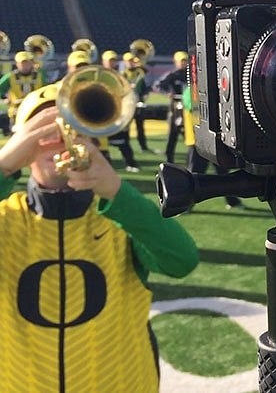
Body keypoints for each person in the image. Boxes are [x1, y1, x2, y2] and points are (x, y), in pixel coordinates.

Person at [0, 87, 199, 392]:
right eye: (42, 131)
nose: (61, 141)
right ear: (22, 145)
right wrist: (4, 165)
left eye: (75, 129)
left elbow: (181, 260)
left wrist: (117, 192)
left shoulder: (121, 214)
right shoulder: (6, 217)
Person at [183, 85, 243, 209]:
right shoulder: (191, 91)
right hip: (198, 141)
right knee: (195, 173)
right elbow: (193, 106)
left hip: (213, 140)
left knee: (222, 172)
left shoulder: (206, 89)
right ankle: (186, 204)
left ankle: (232, 201)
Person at [103, 51, 140, 172]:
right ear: (104, 62)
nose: (112, 63)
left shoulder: (121, 76)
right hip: (103, 112)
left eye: (113, 60)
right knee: (101, 143)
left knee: (124, 141)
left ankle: (131, 163)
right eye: (109, 60)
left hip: (117, 112)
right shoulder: (99, 75)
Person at [156, 51, 189, 163]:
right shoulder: (172, 75)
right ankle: (169, 159)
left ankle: (192, 158)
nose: (183, 63)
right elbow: (159, 85)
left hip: (188, 108)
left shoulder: (191, 74)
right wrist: (168, 93)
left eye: (185, 61)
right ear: (176, 62)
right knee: (172, 135)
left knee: (189, 134)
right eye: (181, 61)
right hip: (175, 107)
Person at [0, 51, 47, 126]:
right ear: (17, 64)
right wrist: (5, 98)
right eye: (22, 63)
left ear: (32, 63)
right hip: (17, 111)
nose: (25, 66)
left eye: (27, 63)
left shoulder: (40, 76)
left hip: (35, 110)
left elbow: (47, 91)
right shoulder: (11, 77)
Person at [121, 52, 152, 153]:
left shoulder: (139, 72)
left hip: (138, 103)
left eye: (132, 61)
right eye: (128, 61)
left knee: (140, 127)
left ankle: (143, 146)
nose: (130, 63)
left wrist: (144, 95)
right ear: (125, 62)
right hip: (127, 105)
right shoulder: (122, 74)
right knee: (126, 128)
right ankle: (127, 147)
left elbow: (145, 86)